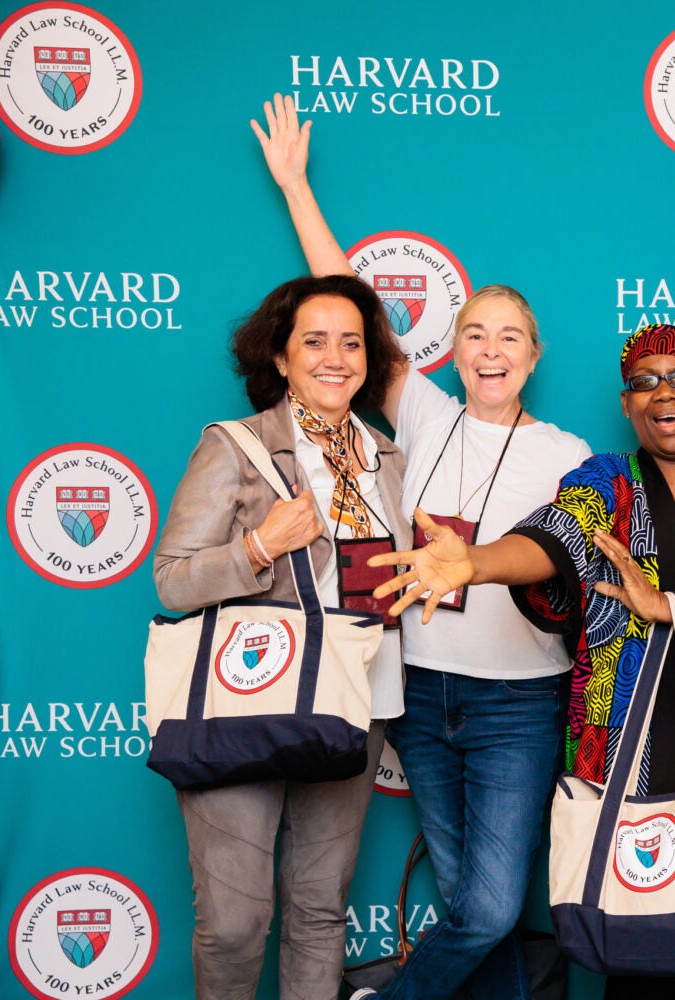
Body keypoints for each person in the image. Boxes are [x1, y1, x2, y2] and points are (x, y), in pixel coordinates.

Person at [251, 95, 592, 1000]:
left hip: (520, 700)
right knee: (464, 904)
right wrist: (295, 188)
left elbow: (582, 568)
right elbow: (351, 299)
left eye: (509, 337)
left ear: (533, 356)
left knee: (485, 910)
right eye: (474, 332)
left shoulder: (570, 457)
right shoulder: (422, 410)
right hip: (418, 690)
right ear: (454, 349)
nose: (490, 348)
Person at [368, 323, 675, 1000]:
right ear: (628, 405)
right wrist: (478, 563)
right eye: (644, 383)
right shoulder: (607, 479)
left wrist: (668, 605)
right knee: (635, 943)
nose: (664, 392)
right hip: (626, 745)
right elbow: (558, 535)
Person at [153, 274, 412, 1000]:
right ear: (281, 356)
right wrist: (258, 547)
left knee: (319, 910)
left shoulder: (386, 458)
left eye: (353, 342)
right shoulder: (236, 447)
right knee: (234, 923)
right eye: (315, 341)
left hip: (358, 706)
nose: (336, 357)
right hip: (248, 705)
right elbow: (171, 579)